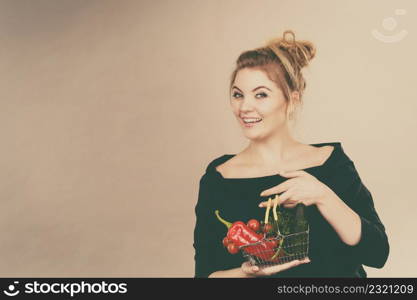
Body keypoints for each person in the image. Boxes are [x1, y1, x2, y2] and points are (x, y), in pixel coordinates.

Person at [193, 30, 389, 278]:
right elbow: (204, 277)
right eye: (237, 94)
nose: (244, 107)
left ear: (292, 100)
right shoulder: (219, 178)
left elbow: (378, 253)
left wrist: (322, 196)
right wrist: (247, 273)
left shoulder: (329, 162)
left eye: (261, 94)